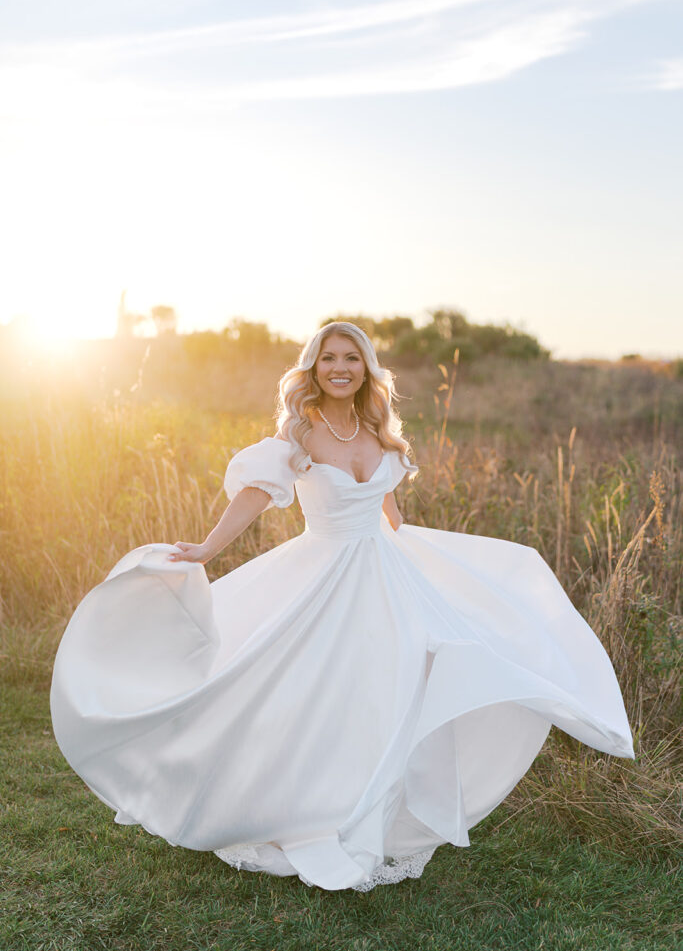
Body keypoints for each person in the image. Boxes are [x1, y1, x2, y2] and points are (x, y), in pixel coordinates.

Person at [50, 322, 634, 892]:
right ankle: (291, 803)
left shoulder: (380, 433)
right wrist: (204, 549)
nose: (339, 368)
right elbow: (254, 499)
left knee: (396, 686)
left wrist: (435, 559)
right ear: (312, 366)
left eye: (351, 359)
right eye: (328, 358)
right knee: (300, 688)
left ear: (366, 369)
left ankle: (377, 804)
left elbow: (390, 516)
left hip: (384, 572)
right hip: (323, 573)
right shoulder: (297, 435)